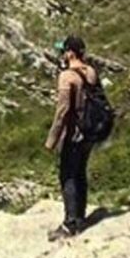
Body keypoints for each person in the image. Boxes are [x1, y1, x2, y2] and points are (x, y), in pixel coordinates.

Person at [45, 35, 98, 241]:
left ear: (70, 52)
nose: (62, 55)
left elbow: (63, 111)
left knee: (67, 175)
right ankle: (80, 217)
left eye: (63, 51)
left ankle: (69, 225)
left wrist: (52, 140)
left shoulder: (67, 77)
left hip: (74, 134)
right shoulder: (91, 72)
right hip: (89, 132)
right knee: (80, 173)